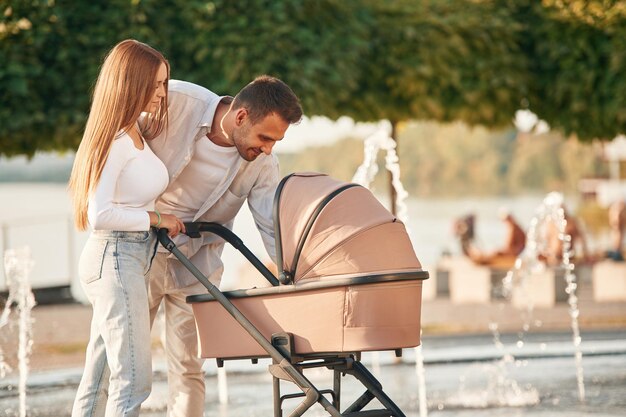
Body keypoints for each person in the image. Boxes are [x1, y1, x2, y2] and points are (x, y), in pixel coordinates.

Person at [145, 76, 303, 416]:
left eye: (276, 141)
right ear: (241, 116)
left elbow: (271, 228)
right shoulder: (176, 103)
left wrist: (297, 276)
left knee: (189, 366)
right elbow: (117, 143)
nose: (268, 148)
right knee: (121, 358)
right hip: (141, 253)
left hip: (197, 264)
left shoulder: (263, 164)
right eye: (265, 137)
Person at [67, 39, 185, 417]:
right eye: (154, 85)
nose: (162, 93)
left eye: (164, 83)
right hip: (115, 256)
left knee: (99, 377)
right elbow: (99, 213)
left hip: (128, 257)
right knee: (133, 381)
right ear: (129, 84)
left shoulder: (134, 133)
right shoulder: (116, 140)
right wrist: (156, 219)